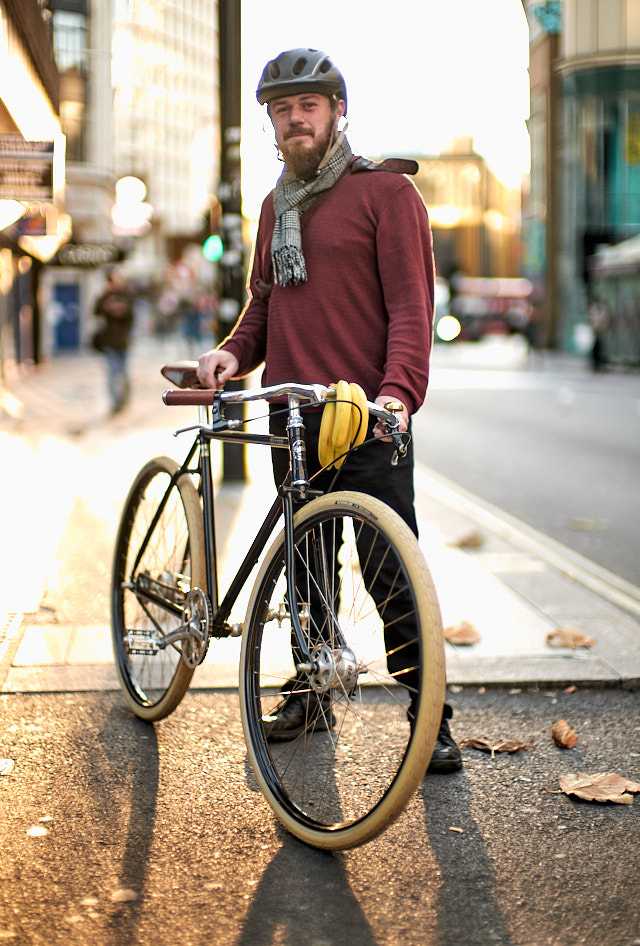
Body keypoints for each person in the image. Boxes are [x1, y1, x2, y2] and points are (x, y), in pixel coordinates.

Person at [197, 47, 461, 775]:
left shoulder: (387, 196)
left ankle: (431, 713)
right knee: (306, 567)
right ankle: (312, 692)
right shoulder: (274, 206)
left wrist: (398, 395)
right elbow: (264, 308)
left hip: (368, 415)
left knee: (389, 567)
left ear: (337, 110)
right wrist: (230, 353)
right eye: (281, 110)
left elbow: (412, 306)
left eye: (307, 106)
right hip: (297, 415)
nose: (293, 120)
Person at [93, 267, 135, 414]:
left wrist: (120, 308)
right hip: (109, 342)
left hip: (123, 342)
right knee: (112, 374)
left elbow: (131, 317)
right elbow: (95, 312)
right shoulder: (104, 297)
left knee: (123, 373)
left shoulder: (125, 296)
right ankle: (115, 402)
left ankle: (124, 400)